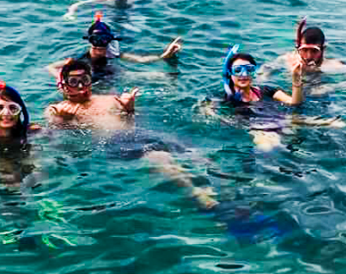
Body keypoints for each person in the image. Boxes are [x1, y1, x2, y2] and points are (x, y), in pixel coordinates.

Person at [46, 59, 218, 209]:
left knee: (197, 155)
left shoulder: (109, 99)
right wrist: (65, 121)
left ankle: (220, 186)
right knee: (160, 159)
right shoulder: (57, 109)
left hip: (139, 133)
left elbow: (131, 123)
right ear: (64, 85)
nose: (81, 86)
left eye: (85, 80)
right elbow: (61, 139)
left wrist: (129, 109)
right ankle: (196, 192)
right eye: (74, 81)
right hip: (115, 143)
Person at [202, 45, 343, 151]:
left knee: (335, 128)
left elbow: (295, 102)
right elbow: (207, 111)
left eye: (249, 69)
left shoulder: (267, 90)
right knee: (270, 148)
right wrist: (217, 116)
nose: (243, 74)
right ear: (229, 74)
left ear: (253, 72)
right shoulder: (225, 98)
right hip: (260, 129)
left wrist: (296, 79)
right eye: (238, 70)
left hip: (287, 121)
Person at [45, 12, 182, 82]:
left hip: (111, 76)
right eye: (95, 40)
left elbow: (141, 60)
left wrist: (165, 55)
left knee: (132, 75)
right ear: (90, 41)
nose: (100, 45)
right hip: (90, 81)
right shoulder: (79, 60)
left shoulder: (113, 55)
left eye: (104, 40)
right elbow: (50, 66)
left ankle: (169, 78)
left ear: (110, 41)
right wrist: (60, 78)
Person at [258, 17, 346, 96]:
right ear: (298, 48)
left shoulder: (331, 65)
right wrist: (264, 78)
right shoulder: (288, 59)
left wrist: (332, 87)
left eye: (314, 51)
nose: (308, 56)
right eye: (304, 50)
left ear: (324, 49)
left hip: (318, 93)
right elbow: (266, 67)